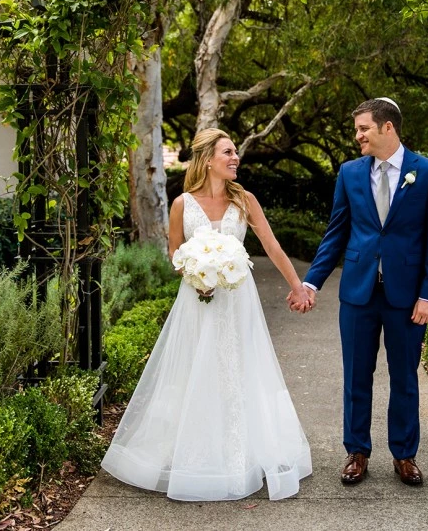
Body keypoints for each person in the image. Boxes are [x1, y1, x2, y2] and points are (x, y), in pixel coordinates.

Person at [101, 128, 313, 501]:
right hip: (197, 300)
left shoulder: (245, 200)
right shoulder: (183, 203)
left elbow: (271, 245)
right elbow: (174, 252)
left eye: (236, 153)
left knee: (239, 367)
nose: (236, 158)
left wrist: (298, 286)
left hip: (237, 299)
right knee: (196, 369)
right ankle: (194, 452)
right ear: (207, 159)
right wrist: (197, 274)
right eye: (228, 152)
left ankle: (241, 452)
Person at [288, 97, 428, 487]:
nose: (357, 135)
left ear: (387, 127)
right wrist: (311, 281)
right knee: (356, 375)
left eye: (363, 128)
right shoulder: (349, 173)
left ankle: (405, 455)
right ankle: (356, 452)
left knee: (405, 377)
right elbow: (337, 232)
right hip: (358, 294)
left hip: (407, 297)